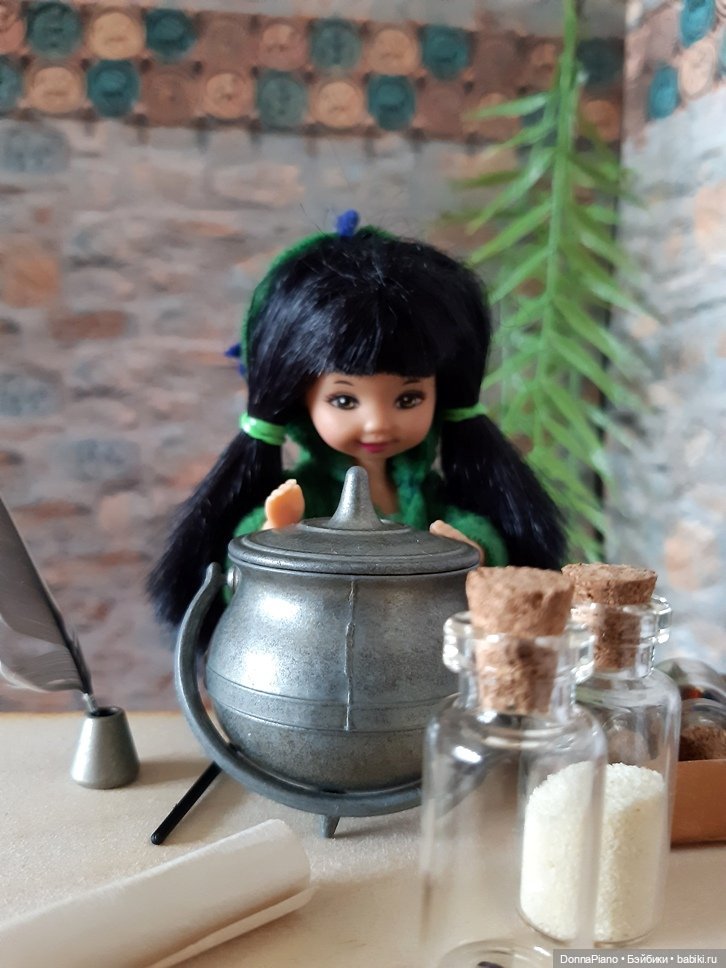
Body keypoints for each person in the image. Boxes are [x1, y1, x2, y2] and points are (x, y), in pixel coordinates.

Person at [147, 212, 566, 630]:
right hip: (320, 644)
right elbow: (244, 577)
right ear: (302, 398)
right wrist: (274, 533)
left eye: (408, 398)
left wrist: (470, 549)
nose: (377, 423)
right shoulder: (306, 497)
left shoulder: (428, 496)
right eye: (344, 400)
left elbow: (475, 532)